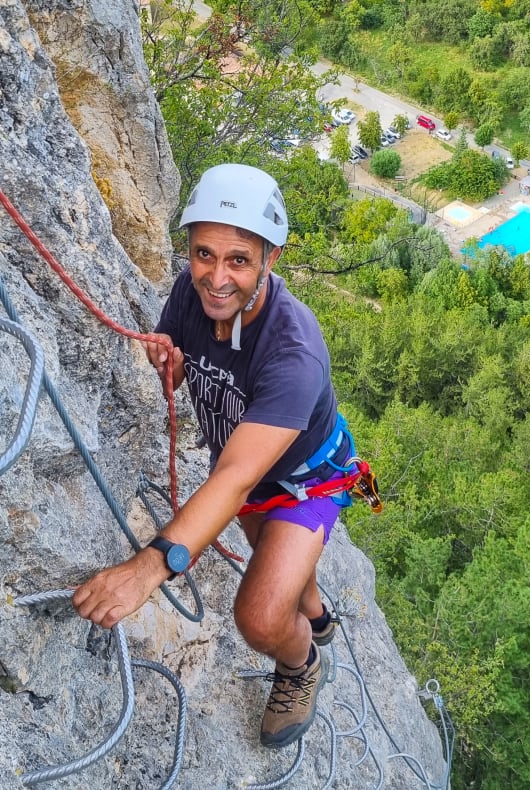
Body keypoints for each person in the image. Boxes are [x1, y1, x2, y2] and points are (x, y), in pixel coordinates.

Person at [73, 163, 355, 749]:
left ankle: (301, 662)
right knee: (277, 571)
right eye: (204, 254)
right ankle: (317, 616)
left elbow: (232, 479)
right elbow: (180, 369)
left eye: (239, 261)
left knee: (259, 617)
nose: (217, 278)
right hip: (254, 479)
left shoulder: (293, 352)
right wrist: (170, 366)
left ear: (269, 260)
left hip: (308, 481)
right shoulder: (190, 290)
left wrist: (148, 568)